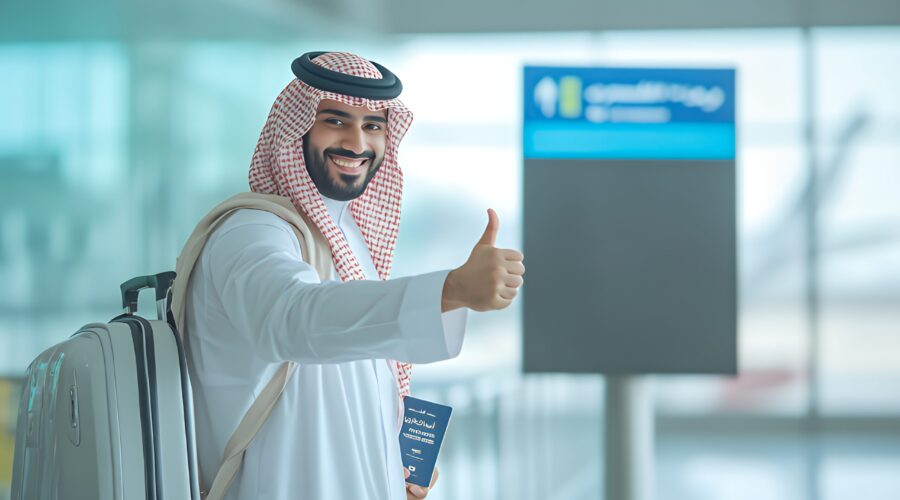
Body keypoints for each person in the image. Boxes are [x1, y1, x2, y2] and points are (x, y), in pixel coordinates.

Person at [174, 51, 525, 500]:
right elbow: (295, 320)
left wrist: (389, 465)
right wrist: (450, 289)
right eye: (336, 120)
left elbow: (355, 381)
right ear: (296, 128)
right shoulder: (252, 231)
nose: (357, 142)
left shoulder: (345, 240)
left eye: (373, 125)